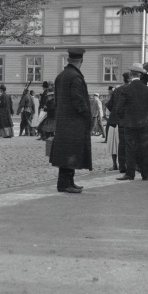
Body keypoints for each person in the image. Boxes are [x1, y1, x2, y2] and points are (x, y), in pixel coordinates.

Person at [49, 48, 92, 193]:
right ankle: (64, 184)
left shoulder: (61, 76)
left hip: (63, 121)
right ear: (81, 61)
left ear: (68, 60)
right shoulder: (75, 77)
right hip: (74, 122)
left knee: (66, 153)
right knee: (71, 153)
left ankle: (69, 181)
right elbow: (79, 101)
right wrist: (87, 117)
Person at [115, 63, 148, 181]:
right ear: (141, 76)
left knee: (130, 149)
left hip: (129, 124)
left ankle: (130, 174)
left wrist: (124, 118)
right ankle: (145, 175)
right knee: (143, 148)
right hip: (143, 123)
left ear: (131, 75)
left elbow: (119, 108)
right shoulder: (146, 89)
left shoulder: (126, 89)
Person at [113, 73, 131, 172]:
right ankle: (131, 165)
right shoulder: (132, 88)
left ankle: (122, 166)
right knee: (131, 144)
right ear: (130, 78)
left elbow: (110, 104)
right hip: (131, 121)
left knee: (122, 144)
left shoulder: (117, 89)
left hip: (121, 121)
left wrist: (118, 116)